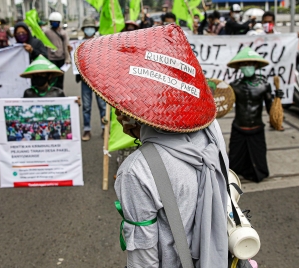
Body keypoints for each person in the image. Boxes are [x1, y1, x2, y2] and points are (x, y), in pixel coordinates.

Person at [75, 24, 229, 267]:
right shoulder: (211, 131)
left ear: (135, 114)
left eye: (121, 106)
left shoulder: (137, 170)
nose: (117, 112)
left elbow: (143, 258)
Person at [227, 47, 282, 183]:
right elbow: (223, 104)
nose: (247, 67)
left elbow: (271, 109)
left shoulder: (264, 85)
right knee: (234, 156)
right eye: (244, 64)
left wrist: (277, 101)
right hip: (239, 127)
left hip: (257, 127)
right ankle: (234, 174)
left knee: (258, 155)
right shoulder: (234, 86)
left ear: (256, 65)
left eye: (249, 64)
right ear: (239, 67)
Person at [75, 18, 106, 141]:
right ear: (84, 30)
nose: (89, 30)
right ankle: (87, 129)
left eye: (91, 27)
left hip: (99, 80)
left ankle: (105, 128)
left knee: (103, 105)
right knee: (86, 106)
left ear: (94, 29)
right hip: (84, 80)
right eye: (87, 28)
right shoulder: (78, 45)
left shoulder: (100, 43)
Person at [44, 12, 71, 91]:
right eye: (53, 22)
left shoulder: (63, 33)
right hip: (51, 59)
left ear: (59, 22)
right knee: (51, 78)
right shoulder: (46, 32)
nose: (54, 23)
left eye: (56, 22)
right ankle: (51, 93)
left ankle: (60, 93)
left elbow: (66, 46)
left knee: (60, 78)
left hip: (61, 59)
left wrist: (67, 59)